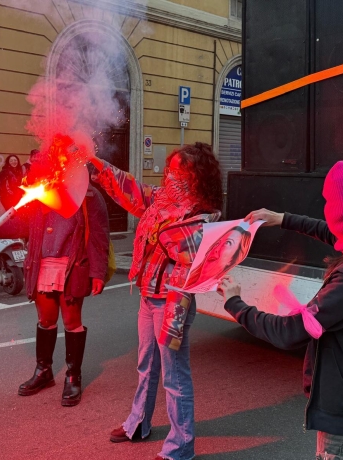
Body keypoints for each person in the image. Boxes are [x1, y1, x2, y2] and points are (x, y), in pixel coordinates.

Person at [217, 158, 343, 460]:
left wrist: (235, 303)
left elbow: (289, 332)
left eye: (330, 202)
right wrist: (282, 218)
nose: (326, 208)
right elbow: (335, 233)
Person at [88, 142, 222, 460]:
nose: (167, 177)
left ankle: (181, 447)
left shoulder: (203, 214)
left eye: (175, 171)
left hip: (174, 303)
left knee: (174, 375)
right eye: (167, 170)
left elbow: (190, 255)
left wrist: (165, 235)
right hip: (148, 297)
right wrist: (97, 163)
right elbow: (133, 190)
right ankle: (138, 424)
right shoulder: (162, 199)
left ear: (195, 176)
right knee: (146, 365)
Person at [18, 148, 110, 407]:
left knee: (71, 321)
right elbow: (19, 223)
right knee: (46, 320)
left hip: (72, 265)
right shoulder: (39, 193)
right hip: (41, 264)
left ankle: (73, 376)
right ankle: (43, 372)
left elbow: (99, 237)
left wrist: (98, 273)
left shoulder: (88, 195)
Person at [184, 225, 251, 290]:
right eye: (217, 243)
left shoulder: (220, 288)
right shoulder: (185, 277)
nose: (215, 249)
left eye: (228, 243)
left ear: (232, 259)